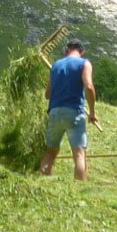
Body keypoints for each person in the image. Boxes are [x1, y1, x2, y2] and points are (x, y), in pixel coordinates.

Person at [41, 38, 99, 180]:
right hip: (74, 111)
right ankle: (80, 189)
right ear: (82, 51)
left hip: (54, 112)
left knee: (50, 153)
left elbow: (47, 94)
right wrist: (92, 113)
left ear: (66, 49)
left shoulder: (56, 65)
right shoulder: (84, 63)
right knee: (79, 154)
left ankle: (43, 185)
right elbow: (89, 87)